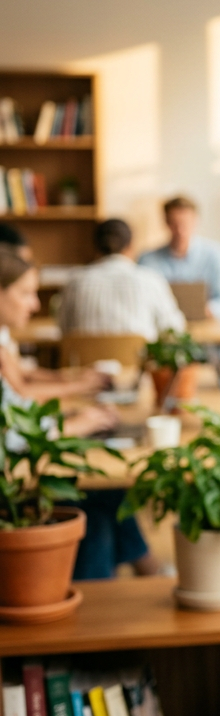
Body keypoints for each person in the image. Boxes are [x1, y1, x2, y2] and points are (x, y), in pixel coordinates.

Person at [0, 245, 156, 579]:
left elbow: (14, 408)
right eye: (25, 293)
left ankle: (140, 575)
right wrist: (72, 425)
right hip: (10, 486)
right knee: (93, 498)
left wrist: (67, 419)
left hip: (15, 470)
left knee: (105, 492)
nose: (35, 304)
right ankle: (107, 590)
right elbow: (10, 436)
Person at [58, 218, 186, 341]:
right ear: (131, 246)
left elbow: (64, 329)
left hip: (85, 357)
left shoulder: (74, 283)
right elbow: (173, 330)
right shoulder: (150, 281)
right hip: (137, 356)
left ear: (95, 247)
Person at [138, 196, 220, 319]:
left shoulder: (216, 255)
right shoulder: (148, 260)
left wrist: (207, 310)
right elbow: (140, 301)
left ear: (196, 221)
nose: (180, 231)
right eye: (174, 224)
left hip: (205, 327)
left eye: (185, 224)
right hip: (162, 328)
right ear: (166, 222)